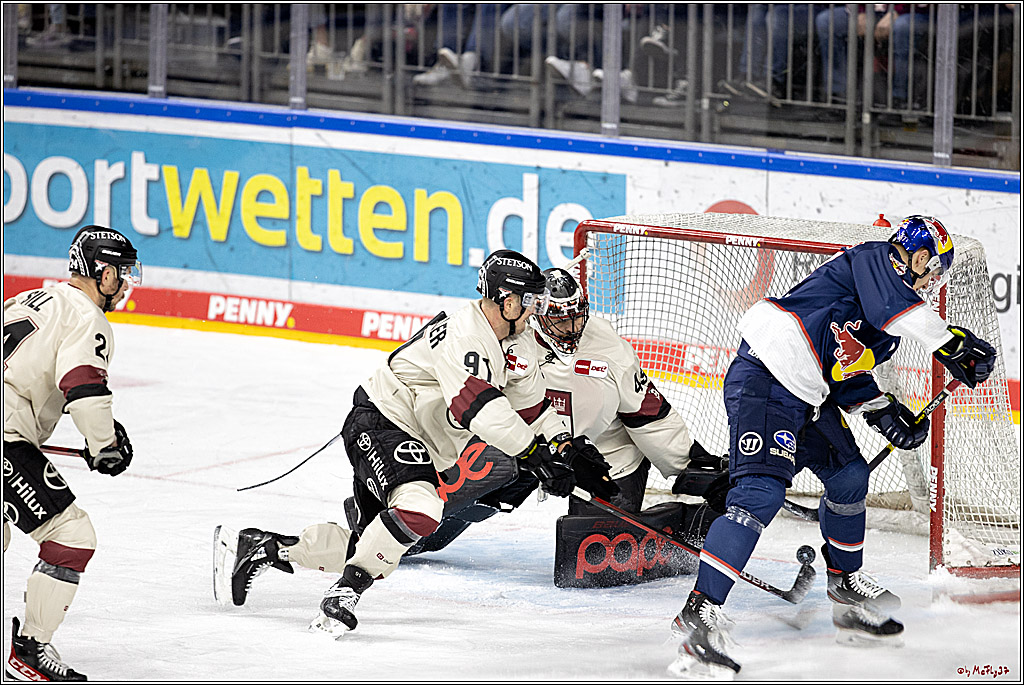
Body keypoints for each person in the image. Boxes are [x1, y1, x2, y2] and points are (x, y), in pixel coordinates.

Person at [214, 249, 612, 635]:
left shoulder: (517, 342)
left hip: (418, 440)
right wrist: (533, 454)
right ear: (505, 300)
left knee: (373, 544)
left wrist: (565, 446)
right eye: (530, 302)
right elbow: (477, 407)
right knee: (422, 509)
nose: (535, 311)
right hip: (382, 421)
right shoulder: (466, 335)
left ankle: (264, 548)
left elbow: (532, 410)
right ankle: (343, 595)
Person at [668, 215, 997, 678]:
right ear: (919, 256)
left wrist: (887, 413)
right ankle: (699, 613)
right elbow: (895, 309)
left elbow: (846, 376)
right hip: (765, 379)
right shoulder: (873, 260)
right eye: (934, 269)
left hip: (808, 396)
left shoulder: (885, 325)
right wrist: (951, 344)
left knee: (849, 476)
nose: (933, 280)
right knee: (759, 495)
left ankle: (845, 587)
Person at [4, 226, 142, 682]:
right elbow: (83, 385)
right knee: (72, 535)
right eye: (123, 272)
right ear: (104, 274)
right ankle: (29, 652)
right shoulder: (88, 318)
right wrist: (104, 448)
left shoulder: (30, 299)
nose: (127, 283)